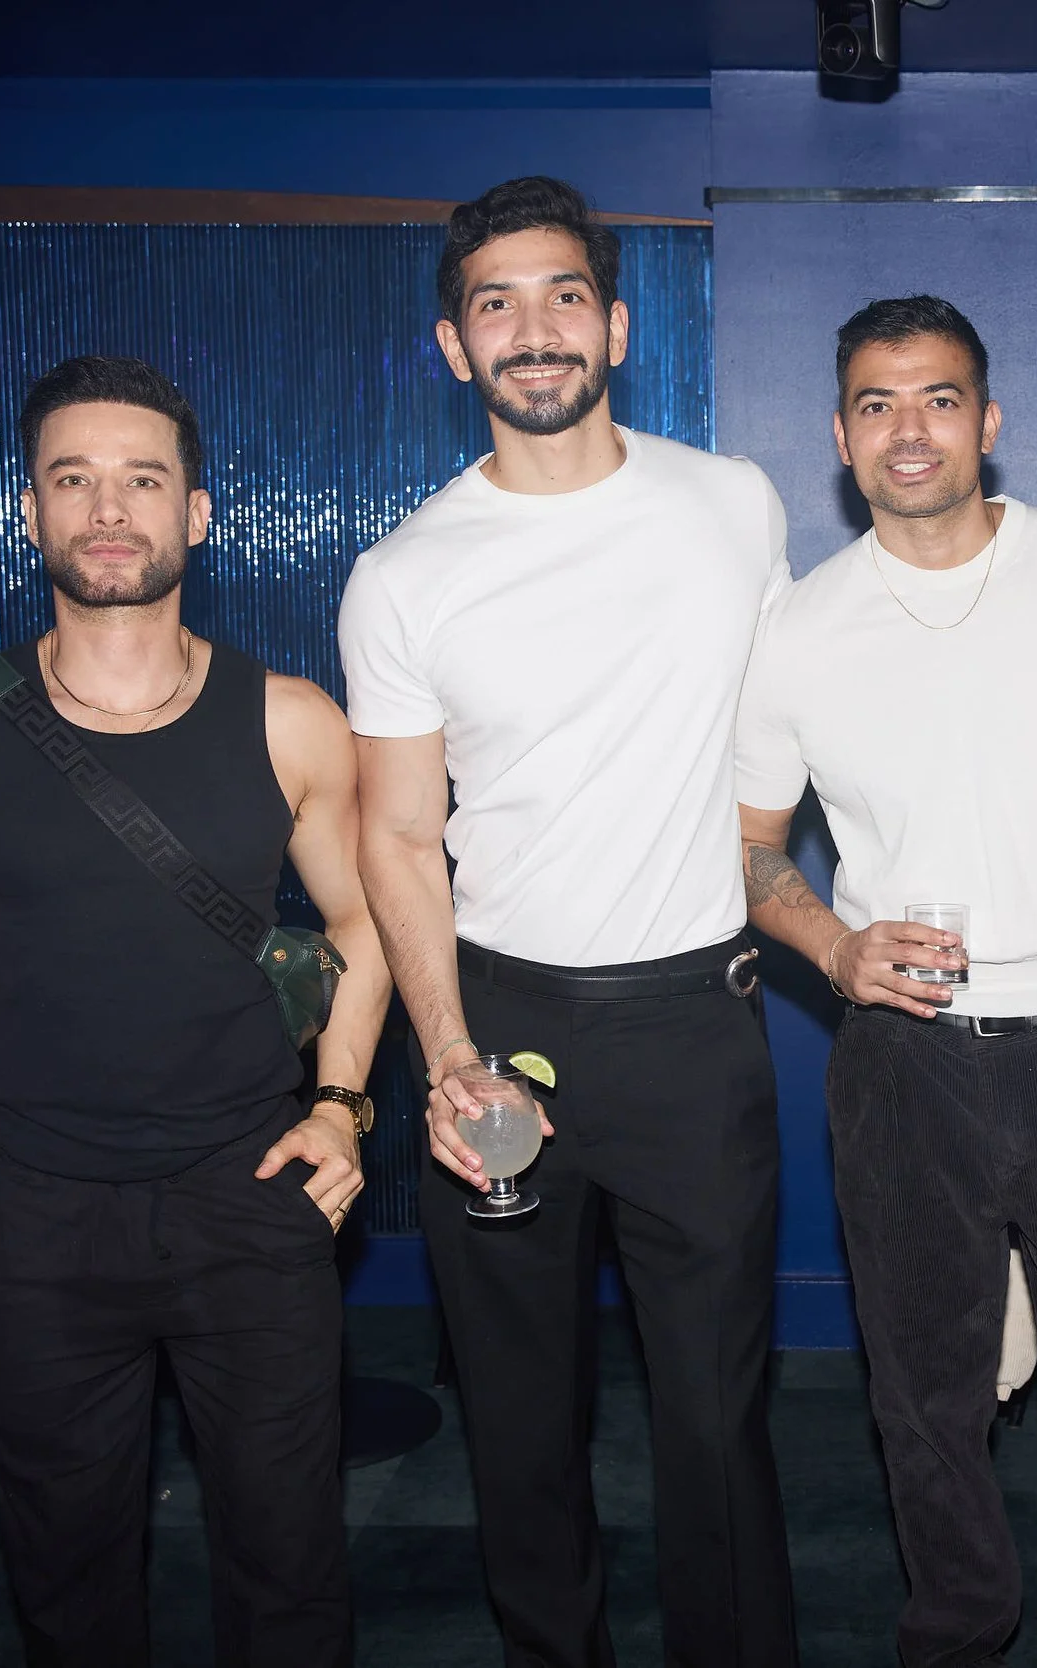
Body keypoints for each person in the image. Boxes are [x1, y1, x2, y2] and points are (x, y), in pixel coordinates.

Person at [0, 354, 392, 1667]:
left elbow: (365, 925)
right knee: (68, 1579)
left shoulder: (294, 722)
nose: (108, 510)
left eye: (142, 481)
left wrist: (341, 1105)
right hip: (36, 1218)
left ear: (195, 511)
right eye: (73, 480)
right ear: (29, 509)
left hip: (251, 1198)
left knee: (290, 1568)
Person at [339, 176, 796, 1667]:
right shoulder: (404, 576)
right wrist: (446, 1053)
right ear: (453, 344)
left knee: (716, 1421)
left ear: (617, 323)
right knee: (519, 1418)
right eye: (497, 304)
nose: (533, 330)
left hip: (692, 1030)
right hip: (501, 1025)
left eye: (562, 296)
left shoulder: (731, 505)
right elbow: (396, 836)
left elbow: (781, 736)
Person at [734, 296, 1037, 1667]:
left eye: (937, 398)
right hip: (906, 1052)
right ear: (840, 438)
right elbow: (749, 849)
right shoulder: (799, 628)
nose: (908, 429)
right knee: (924, 1396)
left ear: (988, 421)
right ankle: (956, 1631)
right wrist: (834, 949)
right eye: (876, 405)